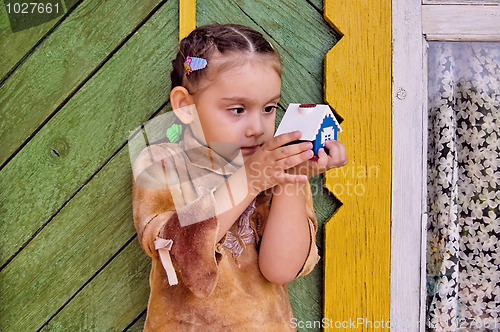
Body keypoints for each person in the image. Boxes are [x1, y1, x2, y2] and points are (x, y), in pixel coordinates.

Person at [131, 23, 347, 331]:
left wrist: (292, 179)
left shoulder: (278, 168)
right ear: (186, 106)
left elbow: (280, 269)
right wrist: (252, 178)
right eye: (237, 109)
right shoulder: (163, 163)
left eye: (269, 108)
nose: (257, 127)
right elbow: (174, 249)